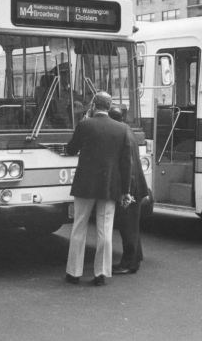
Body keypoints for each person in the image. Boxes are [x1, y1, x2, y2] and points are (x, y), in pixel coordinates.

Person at [64, 92, 131, 286]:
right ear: (109, 107)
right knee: (105, 229)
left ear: (93, 105)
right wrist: (125, 191)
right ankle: (101, 273)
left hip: (85, 184)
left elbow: (71, 149)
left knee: (79, 227)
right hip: (110, 185)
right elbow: (126, 163)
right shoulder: (121, 129)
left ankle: (74, 273)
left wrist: (85, 119)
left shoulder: (85, 125)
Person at [109, 106, 148, 275]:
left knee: (127, 227)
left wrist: (127, 191)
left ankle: (128, 263)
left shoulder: (120, 134)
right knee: (132, 225)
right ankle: (136, 257)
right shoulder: (128, 130)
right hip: (137, 185)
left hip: (132, 187)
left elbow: (128, 164)